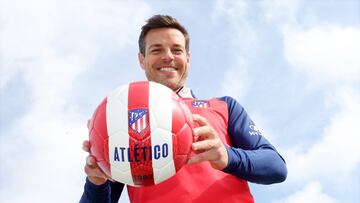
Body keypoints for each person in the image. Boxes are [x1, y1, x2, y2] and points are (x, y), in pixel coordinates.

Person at [80, 14, 287, 203]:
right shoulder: (119, 121)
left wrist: (226, 156)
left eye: (176, 50)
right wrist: (96, 182)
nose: (168, 56)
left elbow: (276, 167)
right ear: (142, 60)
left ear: (187, 57)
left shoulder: (223, 106)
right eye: (156, 50)